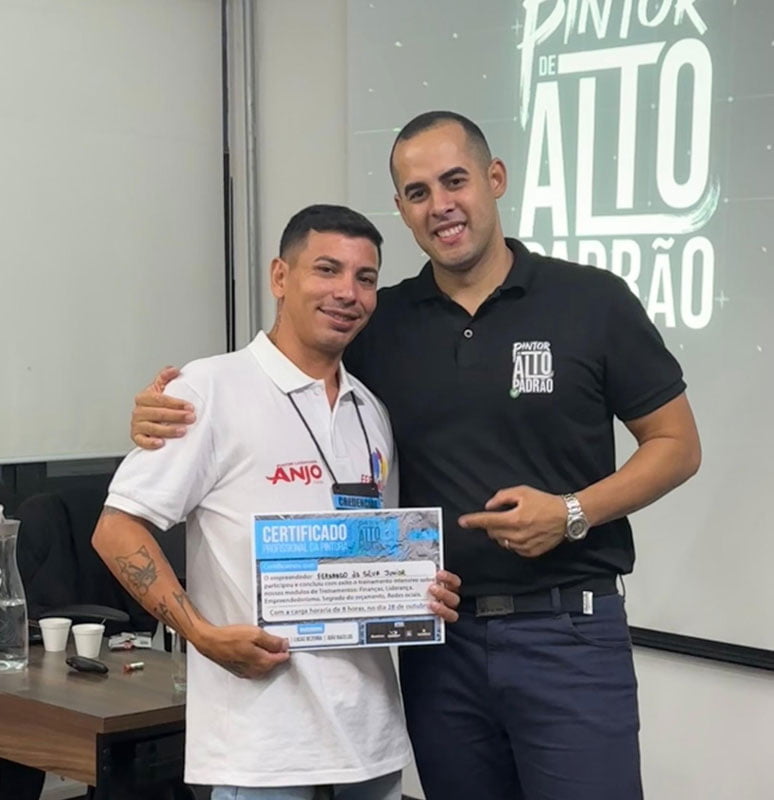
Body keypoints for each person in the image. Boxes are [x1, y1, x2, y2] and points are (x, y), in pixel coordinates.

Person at [130, 113, 701, 800]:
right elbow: (280, 373)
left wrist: (572, 511)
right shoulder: (379, 323)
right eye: (418, 192)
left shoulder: (591, 300)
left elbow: (677, 445)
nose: (441, 206)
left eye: (455, 181)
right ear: (401, 208)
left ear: (495, 178)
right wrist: (165, 409)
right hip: (439, 646)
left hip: (567, 631)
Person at [93, 204, 461, 800]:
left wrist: (421, 589)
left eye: (365, 278)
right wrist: (203, 636)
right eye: (327, 270)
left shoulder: (371, 411)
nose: (347, 293)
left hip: (370, 748)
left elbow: (379, 555)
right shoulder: (208, 389)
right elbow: (115, 530)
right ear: (280, 277)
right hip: (262, 752)